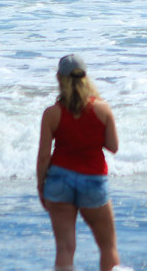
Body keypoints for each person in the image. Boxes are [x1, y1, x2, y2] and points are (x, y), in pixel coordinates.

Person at [37, 54, 121, 271]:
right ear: (86, 77)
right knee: (107, 247)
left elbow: (44, 156)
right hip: (93, 180)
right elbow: (113, 146)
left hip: (59, 180)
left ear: (59, 78)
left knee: (65, 249)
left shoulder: (52, 113)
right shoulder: (102, 109)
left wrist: (41, 186)